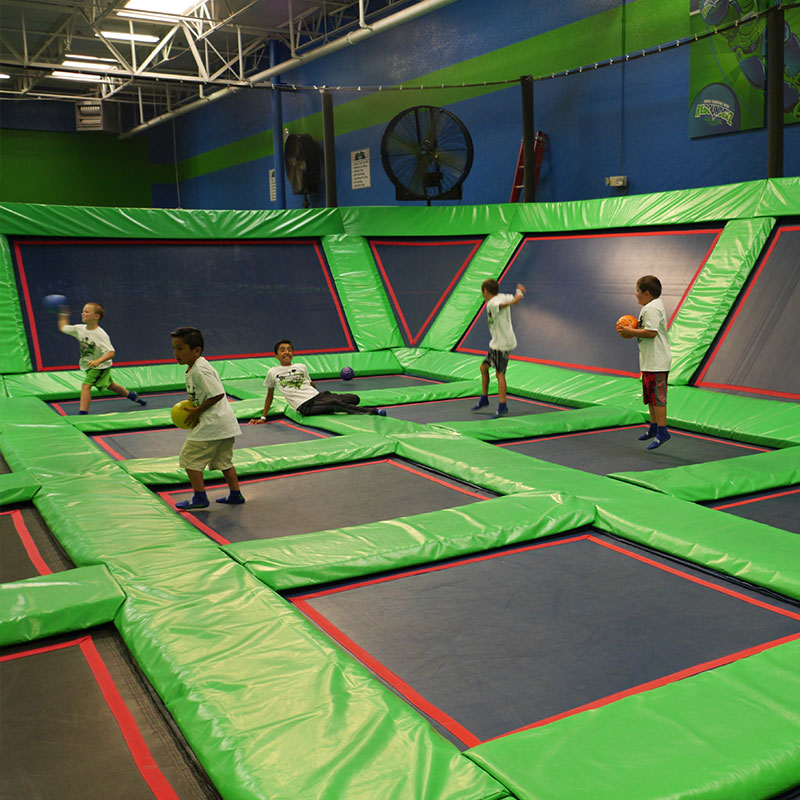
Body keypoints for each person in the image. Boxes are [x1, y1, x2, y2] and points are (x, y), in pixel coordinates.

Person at [170, 326, 244, 510]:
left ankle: (200, 497)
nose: (175, 353)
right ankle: (236, 494)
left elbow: (218, 394)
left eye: (180, 348)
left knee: (189, 459)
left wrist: (196, 411)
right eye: (174, 348)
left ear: (196, 351)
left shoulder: (200, 369)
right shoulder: (195, 366)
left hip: (212, 424)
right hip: (224, 425)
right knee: (224, 461)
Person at [249, 339, 387, 422]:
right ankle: (372, 411)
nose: (287, 352)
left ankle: (329, 403)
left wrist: (321, 398)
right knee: (335, 403)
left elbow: (310, 383)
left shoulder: (301, 366)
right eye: (282, 350)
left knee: (354, 397)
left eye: (290, 350)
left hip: (319, 396)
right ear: (276, 356)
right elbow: (269, 396)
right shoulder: (273, 372)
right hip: (305, 406)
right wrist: (263, 417)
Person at [58, 301, 147, 415]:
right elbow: (63, 328)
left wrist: (98, 361)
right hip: (89, 365)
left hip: (100, 366)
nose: (82, 313)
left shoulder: (100, 334)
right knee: (111, 386)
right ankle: (132, 396)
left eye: (86, 311)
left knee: (86, 386)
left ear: (96, 316)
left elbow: (111, 352)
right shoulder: (79, 329)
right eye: (82, 311)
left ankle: (83, 414)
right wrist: (63, 314)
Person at [618, 275, 672, 450]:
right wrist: (631, 331)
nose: (636, 294)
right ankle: (654, 427)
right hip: (650, 361)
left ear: (646, 293)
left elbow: (651, 332)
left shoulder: (652, 309)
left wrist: (630, 331)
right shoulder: (649, 307)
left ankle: (663, 431)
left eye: (637, 291)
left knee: (658, 398)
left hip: (658, 361)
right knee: (650, 397)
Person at [472, 279, 526, 419]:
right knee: (484, 367)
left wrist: (515, 301)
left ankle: (503, 406)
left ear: (485, 291)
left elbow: (502, 305)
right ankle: (484, 398)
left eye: (482, 291)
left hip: (502, 345)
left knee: (499, 374)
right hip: (496, 343)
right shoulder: (501, 296)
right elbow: (513, 299)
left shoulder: (493, 303)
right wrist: (518, 293)